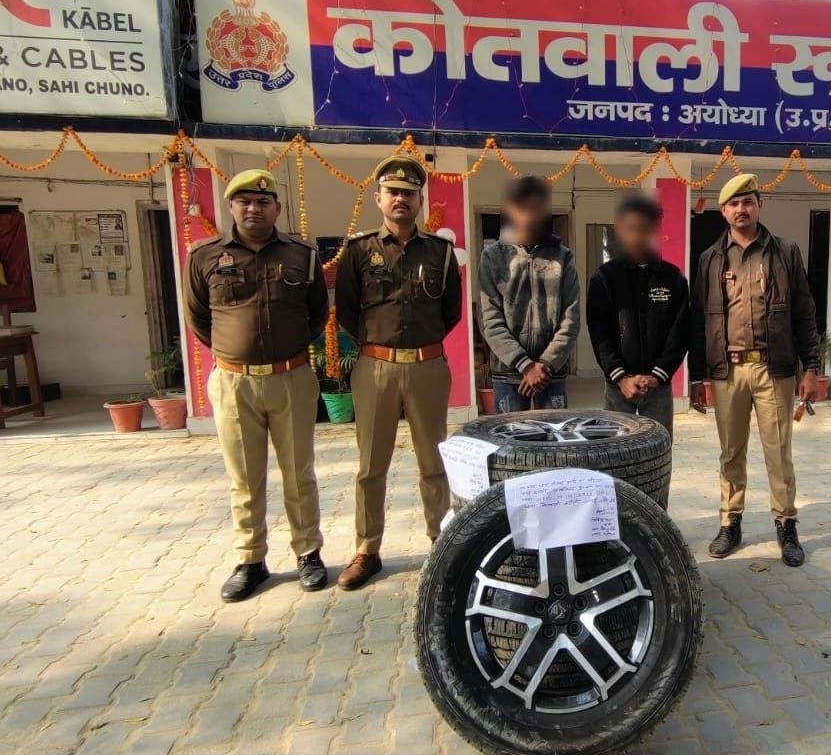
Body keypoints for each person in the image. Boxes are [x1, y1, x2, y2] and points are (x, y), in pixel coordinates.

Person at [184, 169, 329, 602]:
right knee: (244, 478)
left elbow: (317, 314)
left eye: (263, 202)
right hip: (235, 383)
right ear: (231, 206)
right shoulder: (204, 256)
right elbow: (198, 318)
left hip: (291, 379)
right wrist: (237, 352)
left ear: (276, 209)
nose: (254, 208)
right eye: (244, 201)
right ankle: (250, 560)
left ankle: (308, 553)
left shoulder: (301, 254)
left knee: (299, 473)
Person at [335, 155, 462, 590]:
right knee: (371, 466)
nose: (401, 199)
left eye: (409, 193)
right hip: (376, 370)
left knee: (433, 463)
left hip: (427, 367)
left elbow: (450, 312)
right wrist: (382, 349)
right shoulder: (358, 251)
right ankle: (367, 549)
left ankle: (440, 544)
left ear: (420, 200)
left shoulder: (440, 252)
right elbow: (347, 312)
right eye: (393, 192)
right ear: (378, 198)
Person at [690, 174, 820, 567]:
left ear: (759, 205)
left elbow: (804, 313)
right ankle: (730, 523)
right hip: (727, 372)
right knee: (731, 453)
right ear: (723, 211)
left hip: (773, 369)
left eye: (748, 201)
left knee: (779, 453)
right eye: (734, 204)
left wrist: (811, 367)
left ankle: (786, 525)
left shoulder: (785, 252)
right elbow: (699, 320)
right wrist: (697, 375)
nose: (741, 209)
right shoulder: (710, 258)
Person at [587, 193, 690, 437]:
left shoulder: (673, 278)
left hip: (658, 388)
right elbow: (600, 334)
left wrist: (656, 376)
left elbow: (680, 333)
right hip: (617, 387)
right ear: (617, 230)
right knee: (615, 450)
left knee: (657, 449)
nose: (637, 236)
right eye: (630, 228)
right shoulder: (604, 279)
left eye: (644, 228)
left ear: (654, 229)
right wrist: (621, 377)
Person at [478, 176, 580, 411]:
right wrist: (524, 364)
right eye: (522, 208)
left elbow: (571, 318)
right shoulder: (493, 257)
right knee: (511, 435)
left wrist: (545, 364)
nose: (529, 216)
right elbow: (489, 320)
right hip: (508, 373)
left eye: (536, 208)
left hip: (550, 374)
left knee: (553, 434)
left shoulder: (563, 257)